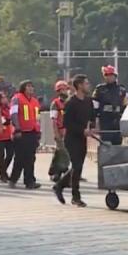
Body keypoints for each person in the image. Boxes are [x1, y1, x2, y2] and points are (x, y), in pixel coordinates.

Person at [54, 74, 96, 207]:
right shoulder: (70, 103)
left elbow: (92, 117)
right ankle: (75, 197)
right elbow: (67, 123)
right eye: (86, 83)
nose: (88, 86)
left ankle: (59, 186)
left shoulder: (88, 101)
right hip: (72, 139)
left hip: (82, 138)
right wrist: (82, 130)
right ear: (79, 86)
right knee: (77, 166)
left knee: (77, 168)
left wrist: (92, 128)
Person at [9, 81, 42, 190]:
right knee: (20, 158)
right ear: (23, 88)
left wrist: (38, 131)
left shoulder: (35, 101)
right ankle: (13, 179)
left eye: (32, 86)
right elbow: (13, 114)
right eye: (28, 86)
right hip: (21, 132)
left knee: (31, 158)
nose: (31, 88)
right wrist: (17, 128)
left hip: (32, 132)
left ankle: (29, 181)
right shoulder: (17, 98)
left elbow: (37, 118)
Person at [93, 65, 127, 146]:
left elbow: (125, 106)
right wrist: (95, 121)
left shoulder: (122, 89)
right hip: (105, 120)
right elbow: (94, 106)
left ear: (115, 76)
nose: (109, 77)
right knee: (106, 144)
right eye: (107, 75)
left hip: (117, 120)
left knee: (117, 144)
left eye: (111, 75)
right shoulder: (99, 89)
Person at [48, 80, 70, 183]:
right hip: (60, 132)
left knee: (60, 153)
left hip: (69, 132)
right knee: (64, 154)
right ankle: (64, 174)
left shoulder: (70, 102)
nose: (65, 91)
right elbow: (53, 120)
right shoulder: (55, 103)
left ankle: (54, 172)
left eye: (66, 89)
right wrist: (56, 134)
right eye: (63, 89)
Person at [0, 92, 14, 183]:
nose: (5, 99)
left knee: (10, 153)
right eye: (3, 97)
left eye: (5, 97)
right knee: (1, 155)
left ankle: (3, 170)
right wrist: (6, 120)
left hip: (8, 134)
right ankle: (2, 175)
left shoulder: (8, 108)